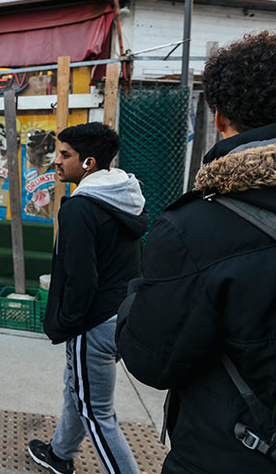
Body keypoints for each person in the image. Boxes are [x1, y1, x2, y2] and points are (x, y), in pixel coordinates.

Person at [116, 31, 276, 473]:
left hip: (229, 452)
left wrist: (137, 295)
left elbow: (150, 359)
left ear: (220, 117)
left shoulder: (197, 229)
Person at [28, 122, 147, 474]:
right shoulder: (125, 198)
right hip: (121, 314)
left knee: (97, 412)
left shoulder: (79, 209)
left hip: (93, 323)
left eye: (65, 155)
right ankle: (59, 454)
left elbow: (81, 278)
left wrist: (67, 323)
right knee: (77, 391)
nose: (56, 161)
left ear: (88, 163)